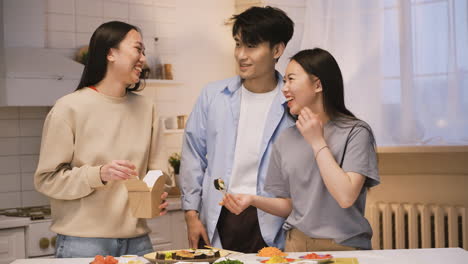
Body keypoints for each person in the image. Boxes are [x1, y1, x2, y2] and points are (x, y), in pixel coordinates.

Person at [221, 48, 380, 251]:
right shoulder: (286, 138)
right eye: (284, 81)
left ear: (317, 84)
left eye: (291, 79)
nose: (284, 88)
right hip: (295, 244)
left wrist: (316, 142)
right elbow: (291, 205)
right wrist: (252, 200)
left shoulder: (356, 132)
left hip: (343, 246)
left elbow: (346, 196)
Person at [34, 21, 169, 258]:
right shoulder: (69, 108)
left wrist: (156, 194)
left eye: (144, 52)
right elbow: (47, 180)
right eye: (138, 49)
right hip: (83, 244)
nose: (143, 59)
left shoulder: (147, 109)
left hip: (138, 242)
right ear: (110, 53)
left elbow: (157, 172)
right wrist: (99, 174)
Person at [179, 6, 295, 253]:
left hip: (273, 220)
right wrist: (191, 215)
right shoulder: (213, 96)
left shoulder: (292, 101)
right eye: (238, 44)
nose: (241, 55)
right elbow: (193, 157)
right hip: (220, 216)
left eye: (251, 46)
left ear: (277, 50)